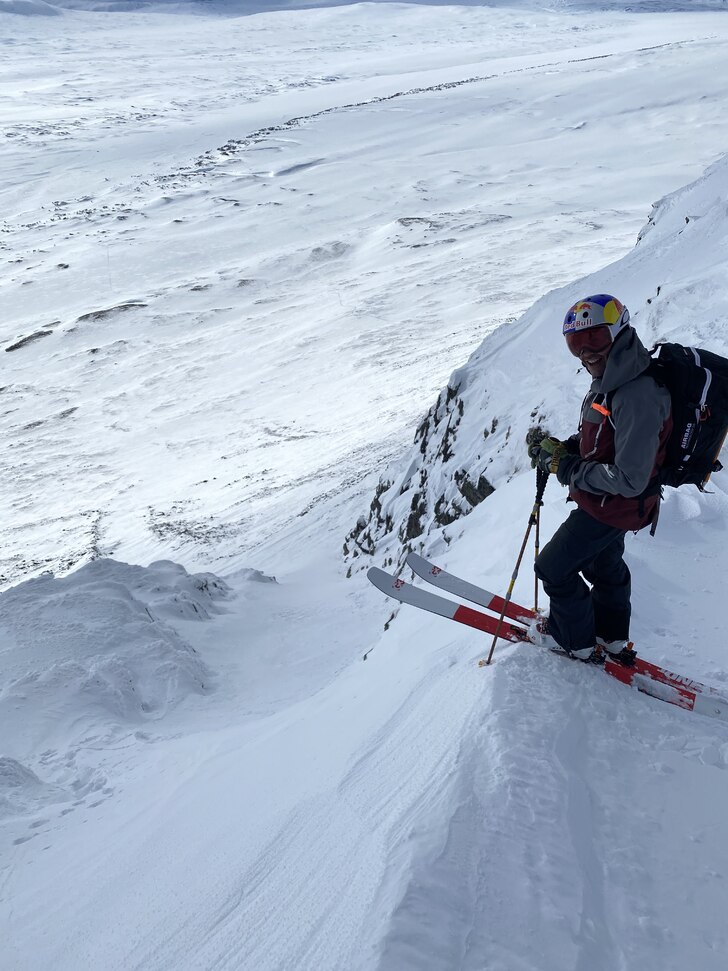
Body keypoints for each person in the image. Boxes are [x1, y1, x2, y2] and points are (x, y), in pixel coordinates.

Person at [528, 294, 672, 663]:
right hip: (610, 501)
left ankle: (574, 640)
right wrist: (566, 449)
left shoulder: (636, 392)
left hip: (615, 504)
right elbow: (605, 438)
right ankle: (610, 637)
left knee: (553, 568)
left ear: (619, 332)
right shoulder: (610, 378)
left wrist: (568, 468)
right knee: (602, 564)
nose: (586, 353)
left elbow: (629, 478)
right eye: (576, 345)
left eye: (594, 341)